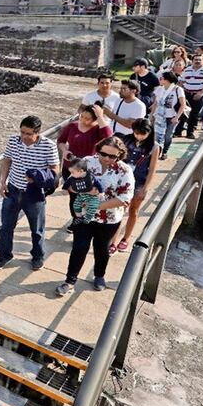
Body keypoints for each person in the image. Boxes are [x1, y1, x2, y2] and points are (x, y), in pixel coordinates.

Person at [55, 137, 134, 296]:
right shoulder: (87, 162)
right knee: (79, 247)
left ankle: (99, 275)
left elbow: (125, 198)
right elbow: (70, 184)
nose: (106, 158)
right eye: (103, 154)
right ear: (97, 150)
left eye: (112, 156)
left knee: (101, 248)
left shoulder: (124, 171)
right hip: (84, 216)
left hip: (109, 219)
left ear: (120, 155)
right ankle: (70, 280)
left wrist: (96, 205)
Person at [0, 116, 60, 271]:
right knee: (6, 227)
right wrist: (2, 182)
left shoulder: (48, 146)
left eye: (29, 134)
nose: (24, 137)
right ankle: (4, 256)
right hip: (13, 190)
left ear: (37, 133)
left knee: (37, 229)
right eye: (22, 132)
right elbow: (7, 160)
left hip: (34, 194)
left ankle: (37, 256)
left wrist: (38, 178)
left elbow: (55, 170)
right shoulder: (13, 141)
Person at [57, 104, 111, 229]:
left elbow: (109, 136)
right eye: (82, 116)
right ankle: (76, 220)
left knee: (85, 196)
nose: (83, 120)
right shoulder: (72, 126)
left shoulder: (98, 129)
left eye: (88, 118)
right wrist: (65, 150)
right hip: (70, 167)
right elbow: (60, 141)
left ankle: (84, 220)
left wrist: (100, 116)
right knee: (74, 196)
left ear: (95, 120)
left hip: (87, 170)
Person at [111, 118, 159, 255]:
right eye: (137, 133)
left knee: (133, 210)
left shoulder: (154, 147)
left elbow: (152, 169)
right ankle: (113, 240)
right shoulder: (126, 140)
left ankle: (126, 238)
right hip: (122, 180)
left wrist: (145, 188)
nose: (139, 136)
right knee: (118, 210)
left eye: (142, 134)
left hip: (139, 181)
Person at [177, 55, 203, 139]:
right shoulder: (187, 69)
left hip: (200, 94)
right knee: (183, 112)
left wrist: (201, 93)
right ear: (192, 61)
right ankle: (178, 131)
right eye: (195, 60)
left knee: (195, 113)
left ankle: (190, 132)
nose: (197, 61)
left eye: (199, 60)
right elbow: (182, 82)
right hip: (187, 93)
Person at [150, 71, 185, 160]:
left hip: (172, 116)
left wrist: (177, 117)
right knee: (157, 135)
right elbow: (155, 103)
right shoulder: (159, 89)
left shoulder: (178, 89)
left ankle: (165, 151)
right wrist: (152, 115)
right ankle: (156, 152)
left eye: (161, 78)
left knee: (168, 136)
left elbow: (182, 104)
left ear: (167, 80)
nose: (160, 80)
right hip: (159, 116)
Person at [62, 158, 103, 224]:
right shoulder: (73, 178)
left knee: (93, 207)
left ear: (81, 171)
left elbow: (98, 184)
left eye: (72, 172)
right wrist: (64, 188)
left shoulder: (90, 177)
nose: (71, 174)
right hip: (80, 196)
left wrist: (101, 192)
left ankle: (88, 218)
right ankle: (79, 217)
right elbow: (67, 183)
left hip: (92, 197)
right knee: (76, 205)